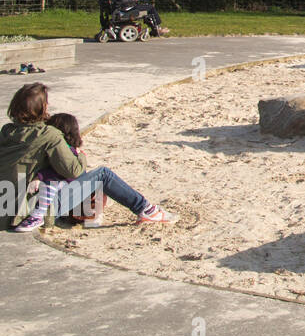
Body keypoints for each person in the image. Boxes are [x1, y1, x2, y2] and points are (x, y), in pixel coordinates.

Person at [2, 83, 176, 231]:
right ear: (42, 108)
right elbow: (74, 171)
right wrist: (80, 155)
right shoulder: (48, 135)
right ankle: (146, 210)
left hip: (5, 206)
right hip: (30, 210)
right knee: (103, 175)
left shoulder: (6, 131)